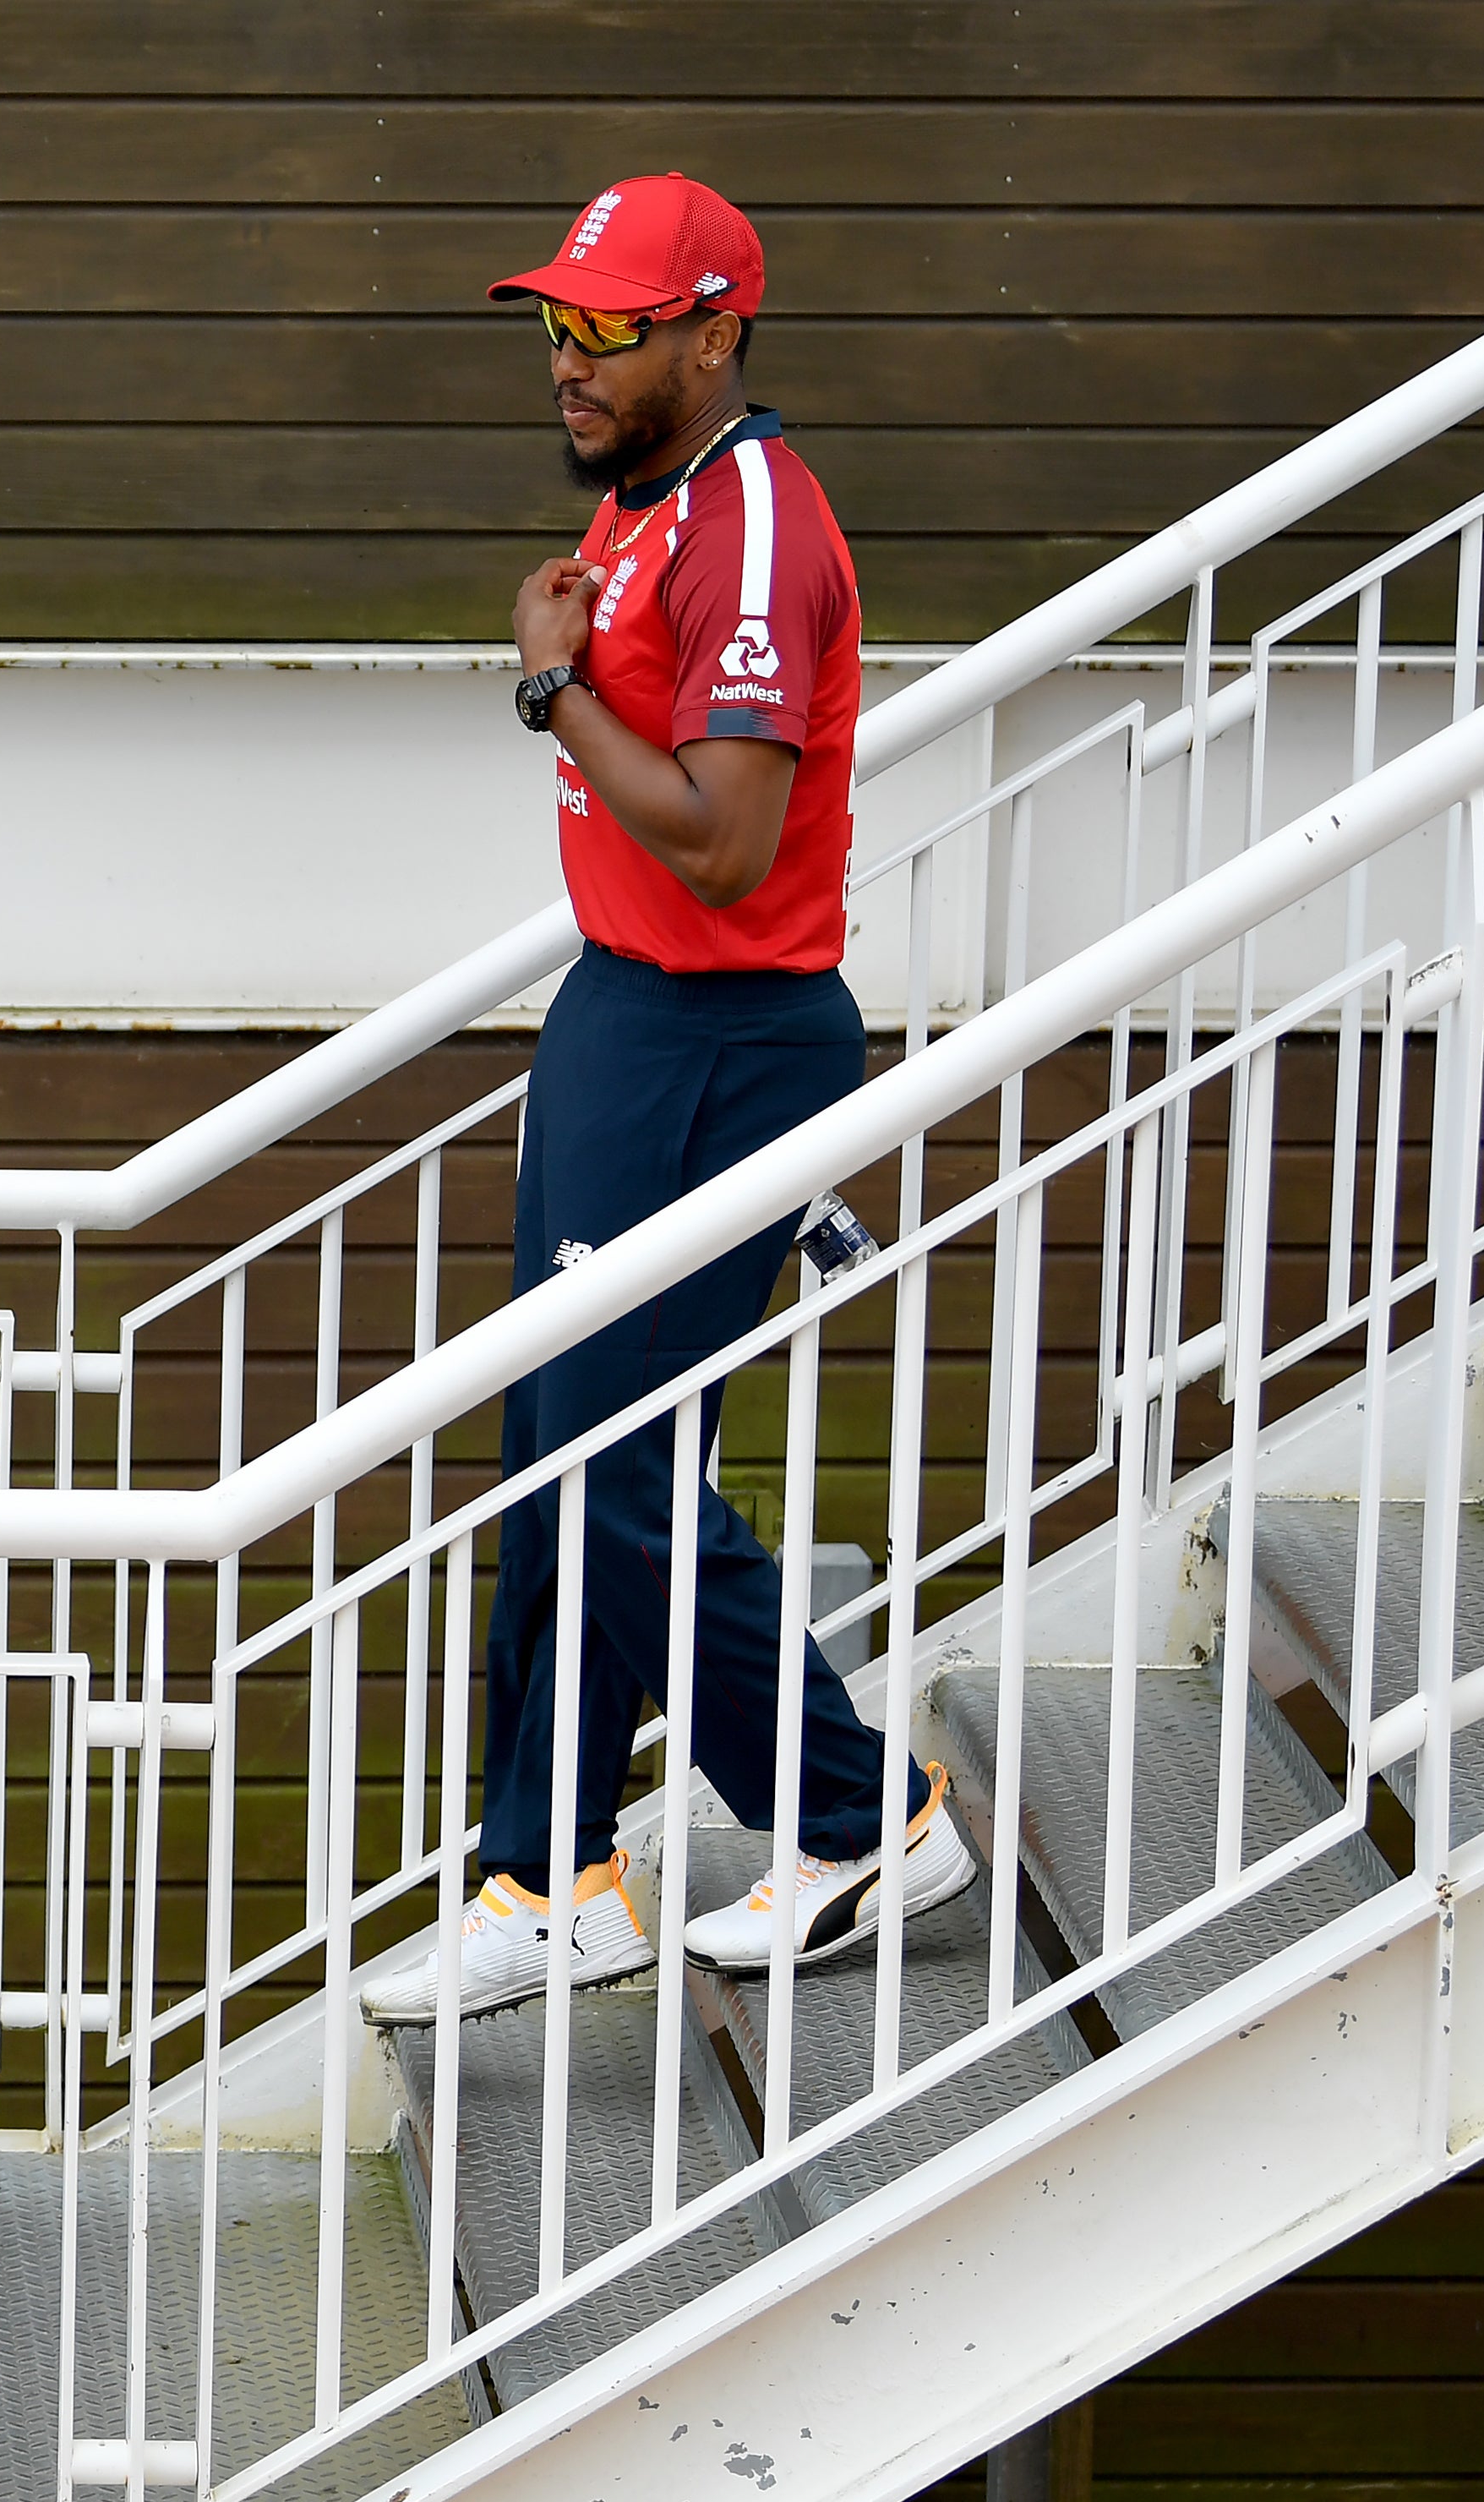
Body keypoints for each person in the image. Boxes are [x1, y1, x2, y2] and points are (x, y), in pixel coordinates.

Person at [365, 177, 958, 2027]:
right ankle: (548, 1869)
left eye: (614, 329)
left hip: (728, 1030)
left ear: (717, 336)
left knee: (618, 1466)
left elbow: (725, 837)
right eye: (558, 321)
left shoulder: (756, 523)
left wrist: (551, 686)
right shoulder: (647, 506)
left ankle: (858, 1814)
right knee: (567, 1455)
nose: (569, 356)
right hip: (629, 1016)